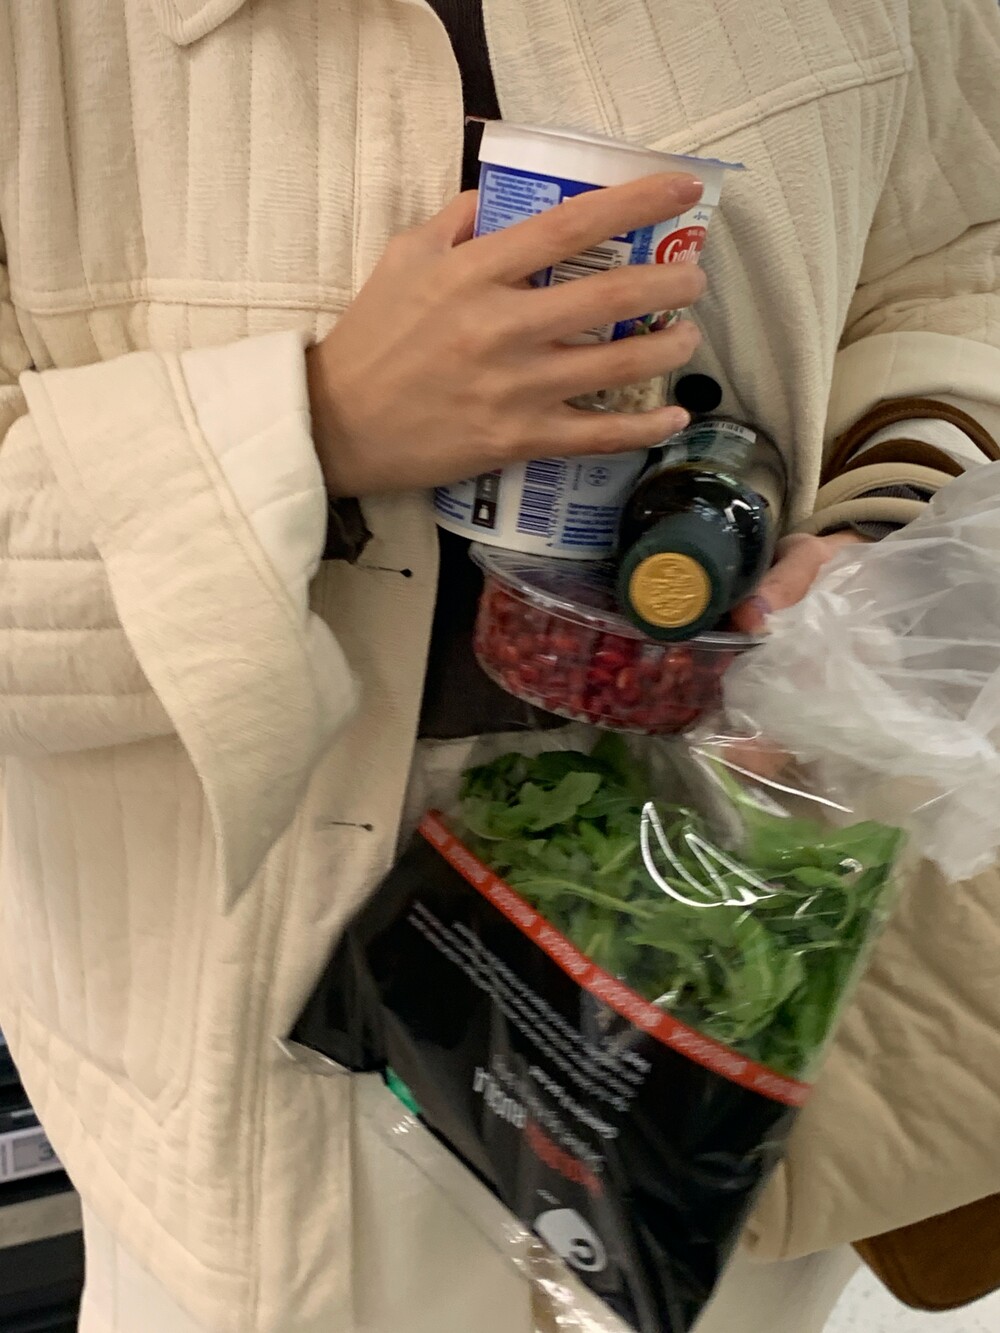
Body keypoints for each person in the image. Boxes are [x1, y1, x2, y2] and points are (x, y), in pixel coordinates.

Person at [0, 2, 998, 1331]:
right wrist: (311, 425)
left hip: (733, 977)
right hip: (248, 1108)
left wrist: (891, 516)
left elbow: (961, 249)